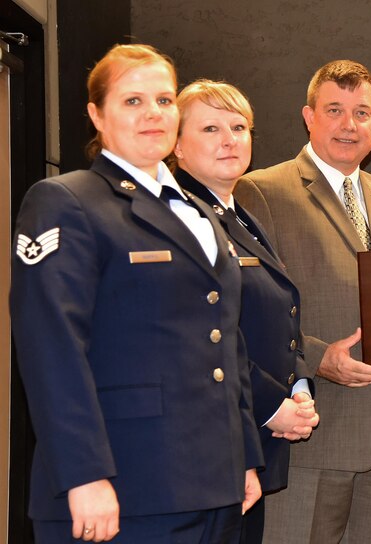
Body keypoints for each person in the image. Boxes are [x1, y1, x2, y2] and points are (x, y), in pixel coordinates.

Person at [10, 44, 263, 543]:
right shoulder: (66, 200)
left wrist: (246, 457)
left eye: (164, 100)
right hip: (125, 486)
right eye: (132, 101)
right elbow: (51, 348)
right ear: (96, 114)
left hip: (215, 485)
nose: (153, 114)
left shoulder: (199, 210)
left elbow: (225, 342)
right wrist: (83, 475)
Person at [233, 60, 371, 544]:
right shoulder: (262, 192)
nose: (348, 124)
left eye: (361, 113)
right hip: (313, 430)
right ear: (308, 116)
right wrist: (318, 358)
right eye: (334, 110)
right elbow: (249, 313)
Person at [172, 79, 320, 544]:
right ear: (176, 144)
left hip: (250, 437)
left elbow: (278, 313)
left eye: (239, 126)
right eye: (211, 128)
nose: (229, 139)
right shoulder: (181, 219)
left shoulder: (237, 215)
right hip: (209, 444)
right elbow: (200, 335)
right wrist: (271, 404)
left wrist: (297, 385)